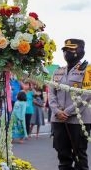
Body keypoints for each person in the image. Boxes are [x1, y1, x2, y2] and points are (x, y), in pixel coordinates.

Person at [50, 38, 91, 170]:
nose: (67, 52)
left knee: (80, 156)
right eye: (65, 50)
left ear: (80, 51)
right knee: (63, 156)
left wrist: (67, 112)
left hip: (78, 120)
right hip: (58, 119)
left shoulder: (88, 70)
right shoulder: (57, 71)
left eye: (71, 49)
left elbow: (86, 94)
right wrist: (57, 111)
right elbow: (51, 93)